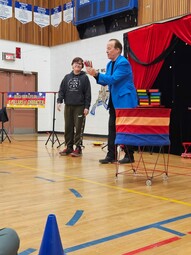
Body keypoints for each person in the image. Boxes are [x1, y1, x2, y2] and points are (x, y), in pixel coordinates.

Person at [85, 39, 137, 164]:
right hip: (114, 101)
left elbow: (113, 79)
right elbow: (105, 80)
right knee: (112, 127)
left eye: (109, 48)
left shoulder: (123, 63)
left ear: (118, 49)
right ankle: (111, 155)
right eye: (106, 48)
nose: (106, 50)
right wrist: (95, 75)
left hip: (125, 100)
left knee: (125, 128)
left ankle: (130, 155)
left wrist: (96, 74)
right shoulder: (109, 64)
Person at [57, 57, 91, 157]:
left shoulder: (85, 78)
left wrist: (87, 107)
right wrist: (59, 101)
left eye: (80, 64)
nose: (78, 65)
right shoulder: (67, 77)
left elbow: (87, 93)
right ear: (72, 65)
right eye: (76, 63)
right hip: (68, 106)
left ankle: (78, 148)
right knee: (68, 127)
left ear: (82, 66)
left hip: (80, 107)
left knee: (79, 127)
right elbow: (61, 90)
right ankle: (69, 147)